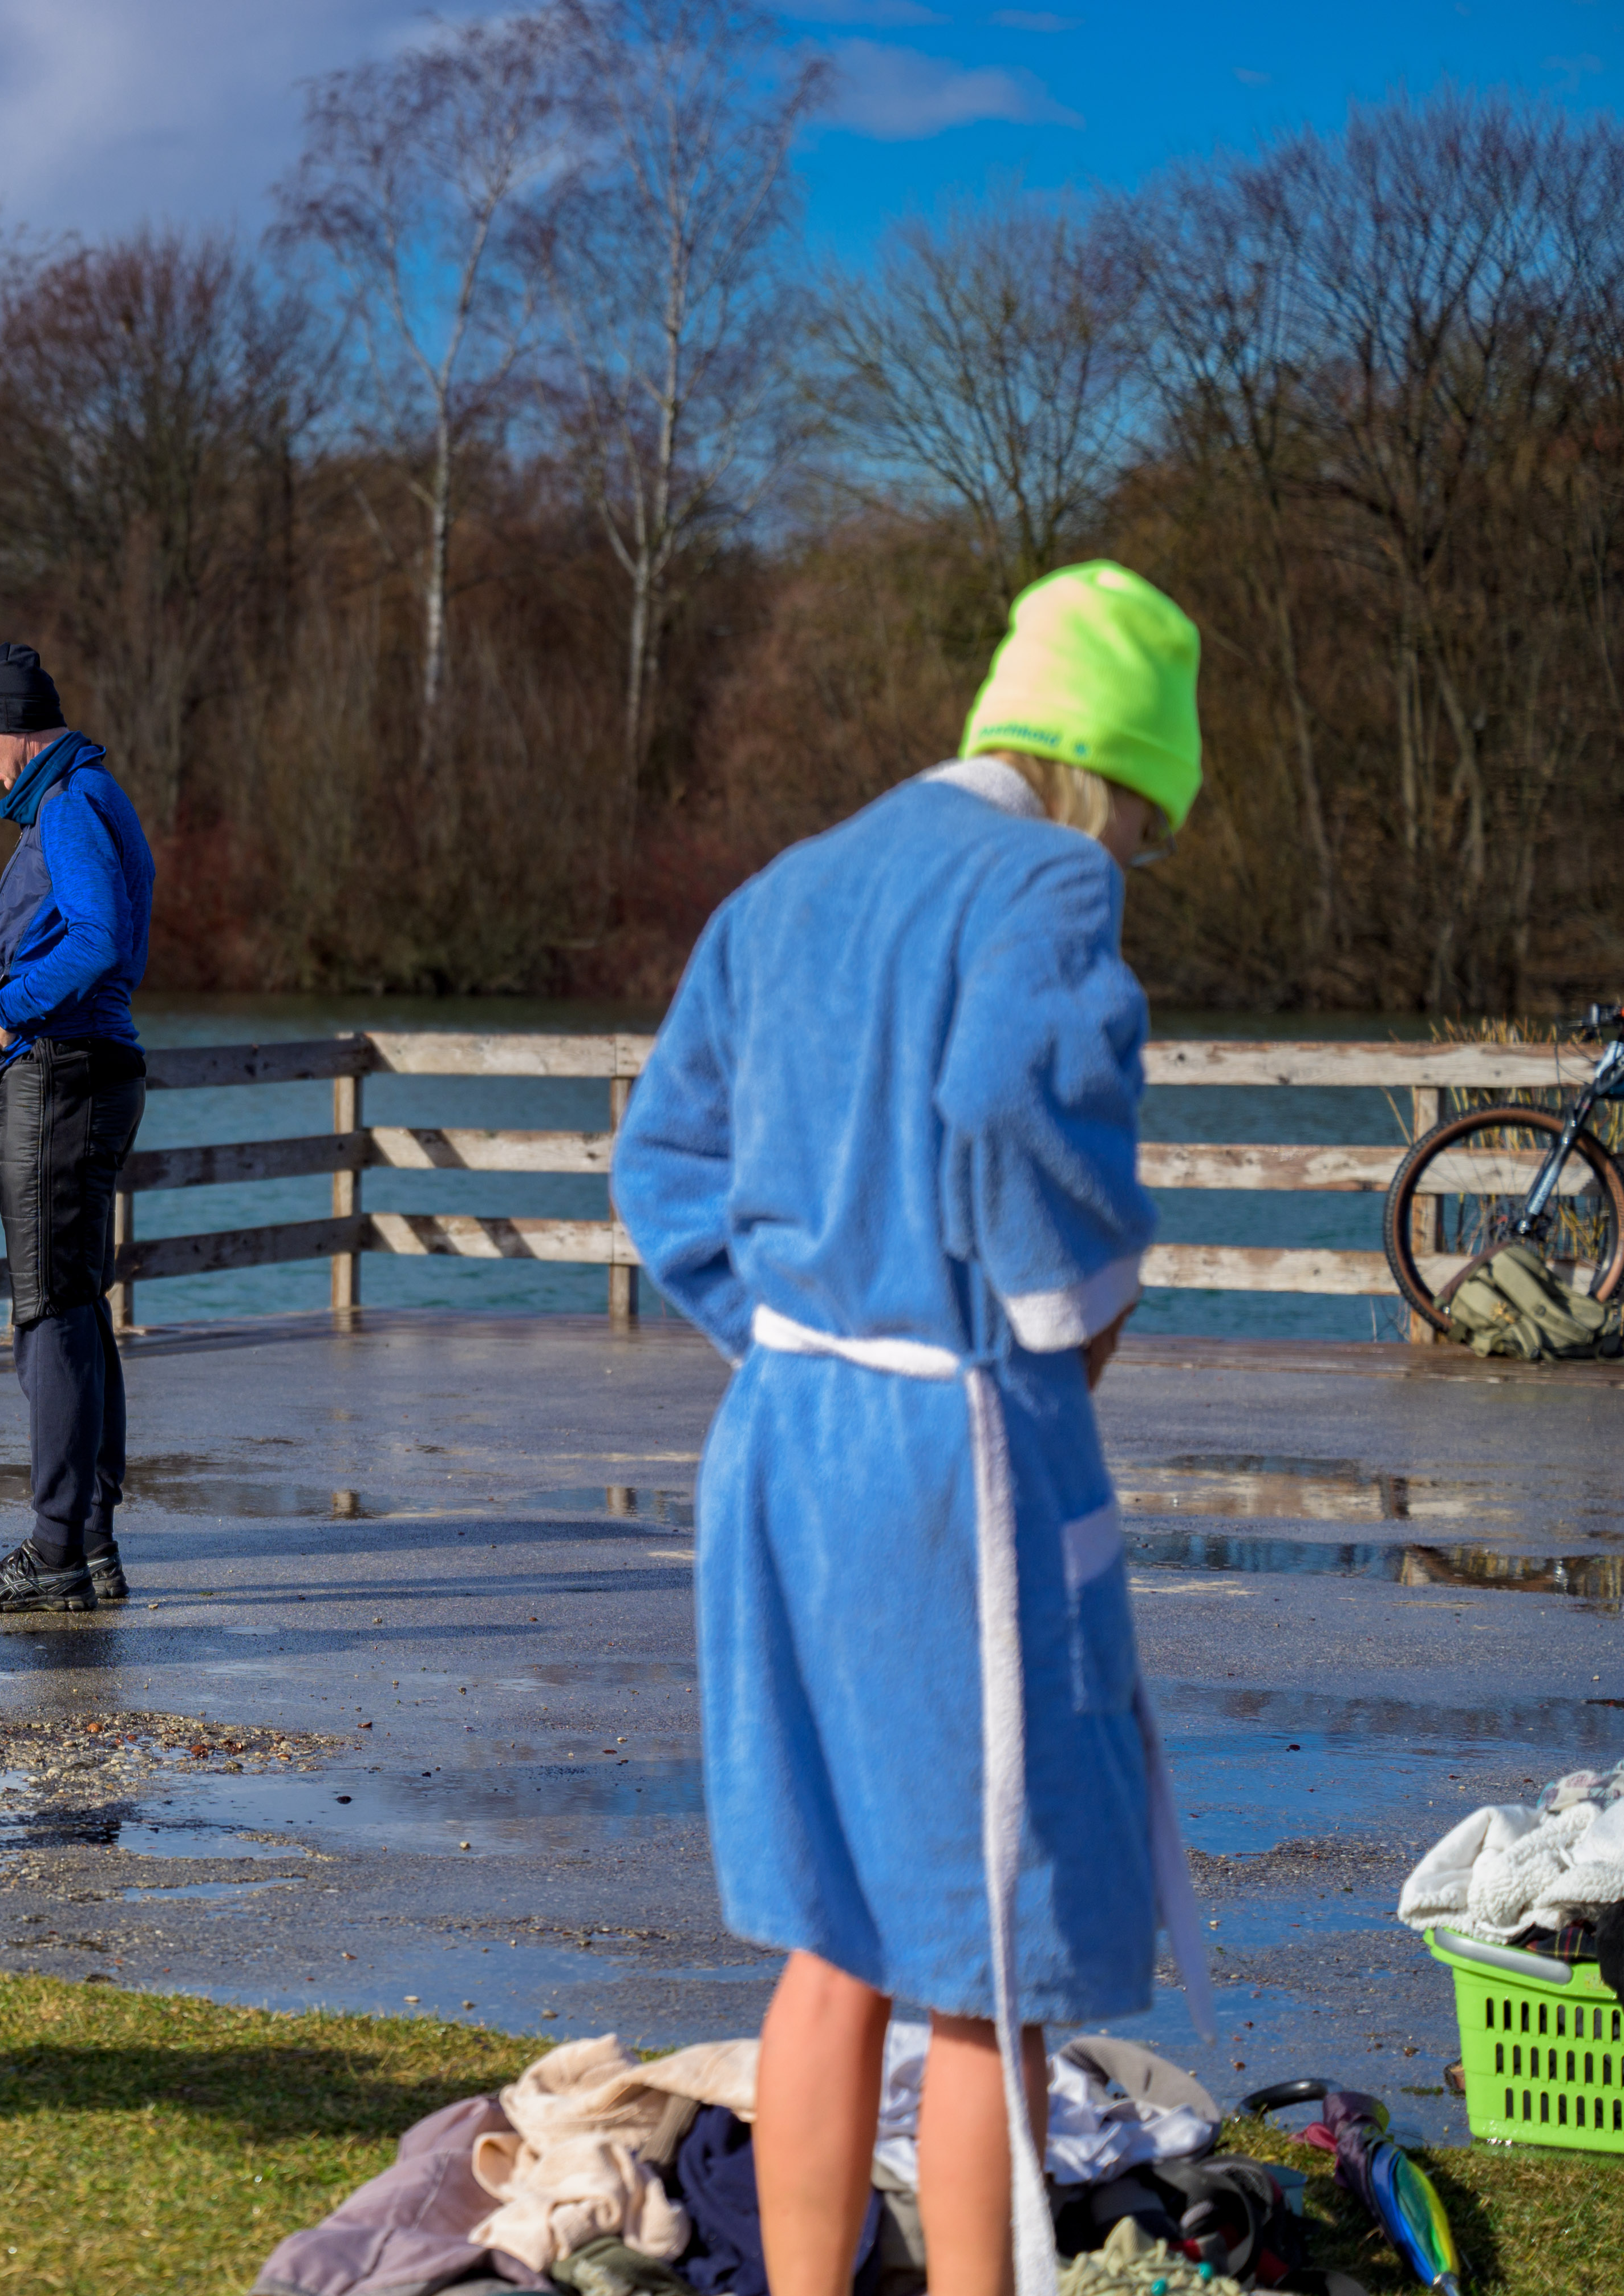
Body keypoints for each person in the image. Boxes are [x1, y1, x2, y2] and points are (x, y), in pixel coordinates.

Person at [609, 563, 1212, 2296]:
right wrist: (1065, 1315)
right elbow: (1015, 1107)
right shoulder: (1048, 883)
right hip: (950, 1460)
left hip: (781, 1446)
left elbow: (663, 1157)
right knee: (982, 1963)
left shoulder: (792, 885)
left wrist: (788, 1332)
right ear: (1116, 774)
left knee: (829, 1937)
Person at [0, 644, 155, 1615]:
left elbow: (94, 940)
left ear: (12, 723)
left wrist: (8, 1012)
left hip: (58, 1075)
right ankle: (87, 1544)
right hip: (81, 1070)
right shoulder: (84, 794)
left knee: (46, 1313)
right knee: (75, 1305)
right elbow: (72, 927)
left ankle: (54, 1543)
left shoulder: (69, 803)